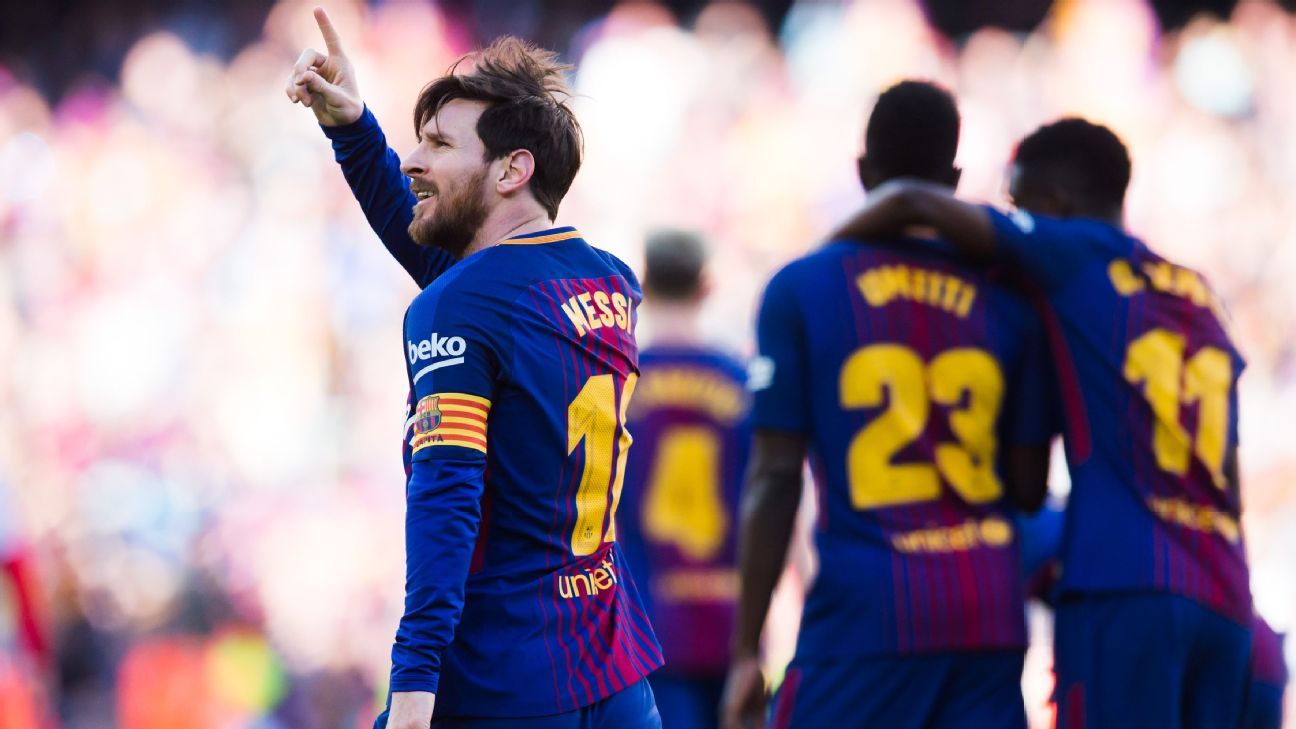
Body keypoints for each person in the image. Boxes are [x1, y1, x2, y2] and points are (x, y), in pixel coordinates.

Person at [287, 10, 663, 728]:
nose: (412, 161)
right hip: (615, 673)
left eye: (438, 144)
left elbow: (446, 500)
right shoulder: (608, 281)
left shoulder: (461, 305)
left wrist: (412, 682)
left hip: (501, 683)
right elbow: (453, 264)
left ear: (512, 170)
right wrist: (352, 129)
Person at [830, 118, 1251, 729]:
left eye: (1018, 203)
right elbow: (1230, 475)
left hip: (1126, 585)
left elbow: (912, 200)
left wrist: (819, 265)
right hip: (1226, 593)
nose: (1011, 219)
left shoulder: (1070, 253)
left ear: (1055, 203)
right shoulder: (1198, 295)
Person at [721, 80, 1056, 729]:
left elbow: (775, 476)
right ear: (953, 180)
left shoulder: (801, 287)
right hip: (985, 613)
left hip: (865, 616)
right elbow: (1026, 486)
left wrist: (744, 651)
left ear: (862, 171)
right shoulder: (1012, 297)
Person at [616, 230, 750, 729]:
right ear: (706, 287)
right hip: (734, 617)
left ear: (645, 286)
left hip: (646, 620)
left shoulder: (621, 383)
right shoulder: (741, 378)